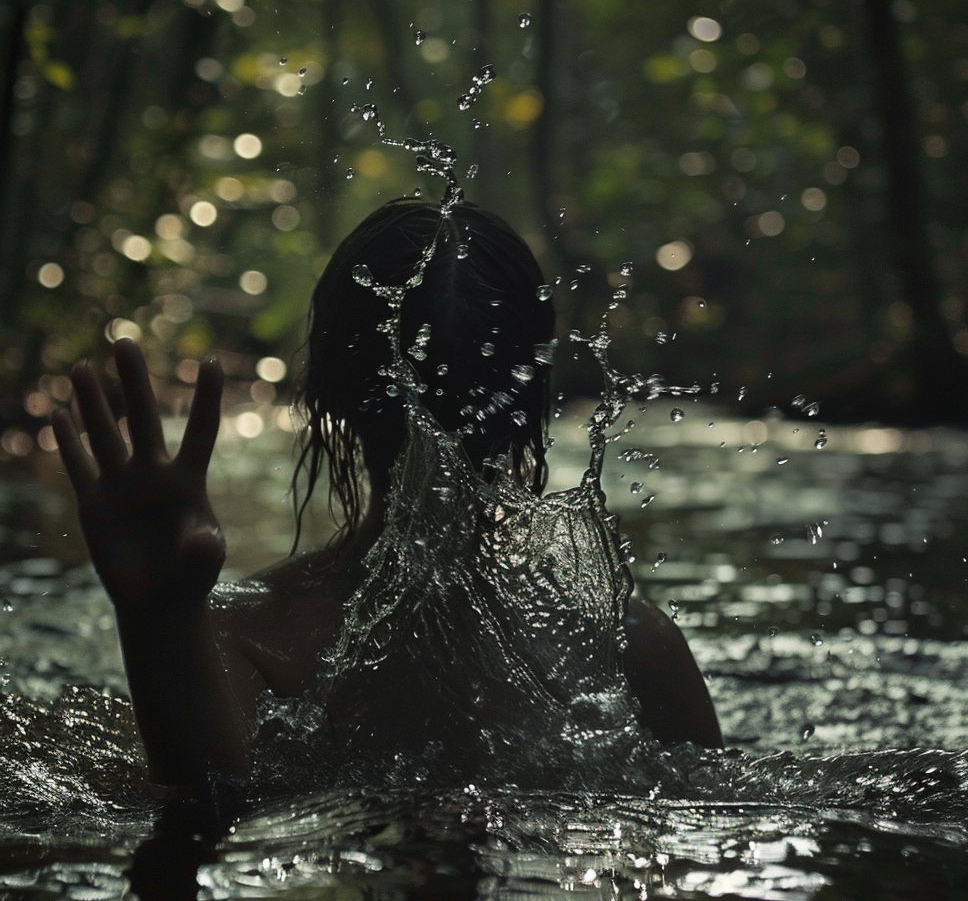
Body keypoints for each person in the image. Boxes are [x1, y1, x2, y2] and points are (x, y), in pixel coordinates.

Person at [53, 199, 722, 790]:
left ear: (326, 401)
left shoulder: (241, 636)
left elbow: (198, 829)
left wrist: (159, 626)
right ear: (532, 405)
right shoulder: (632, 648)